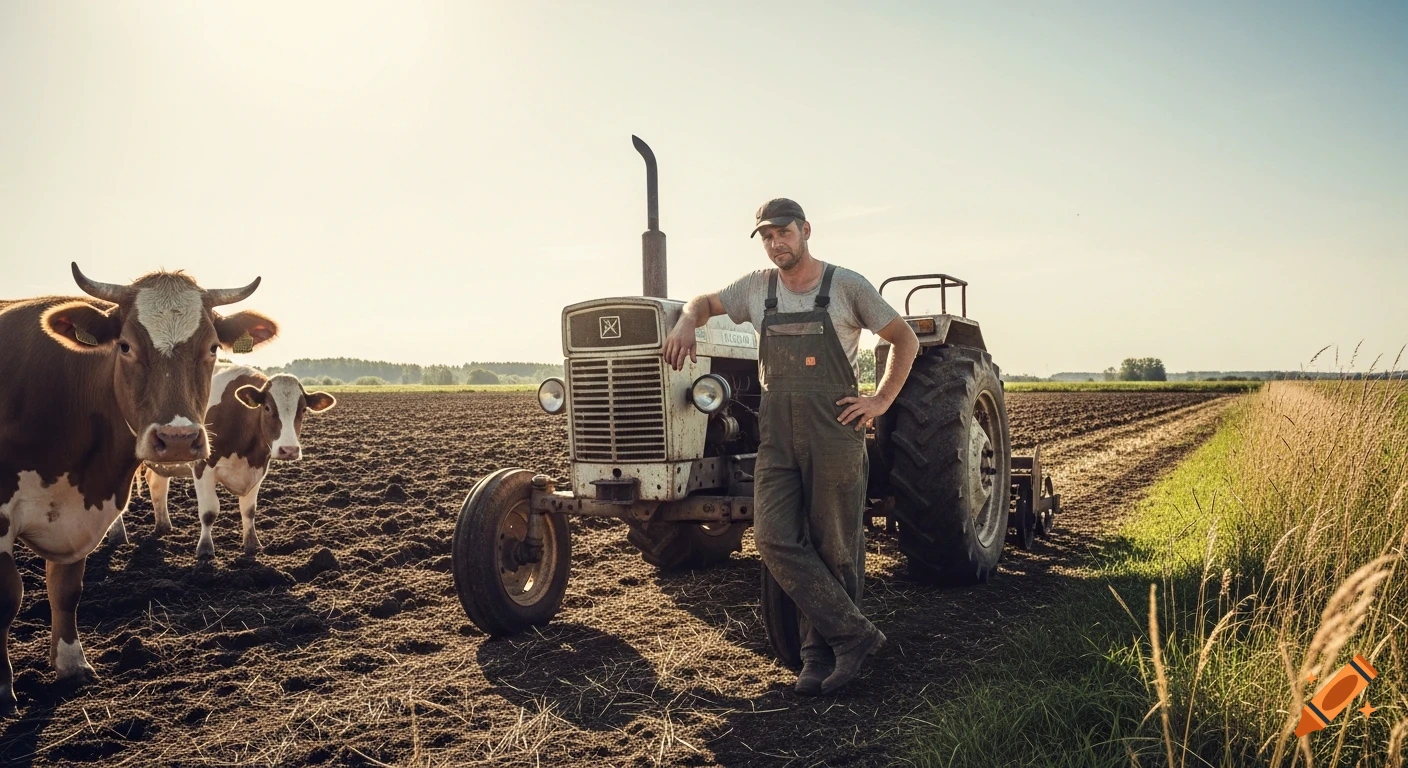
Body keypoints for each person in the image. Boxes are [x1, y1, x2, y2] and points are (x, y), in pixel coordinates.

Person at [663, 198, 919, 695]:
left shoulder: (846, 285)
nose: (776, 243)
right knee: (774, 537)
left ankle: (816, 656)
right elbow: (703, 302)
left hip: (834, 429)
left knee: (835, 546)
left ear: (805, 230)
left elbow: (904, 338)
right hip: (777, 434)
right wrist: (685, 322)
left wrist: (881, 399)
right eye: (767, 236)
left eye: (783, 233)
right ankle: (855, 636)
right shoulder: (757, 287)